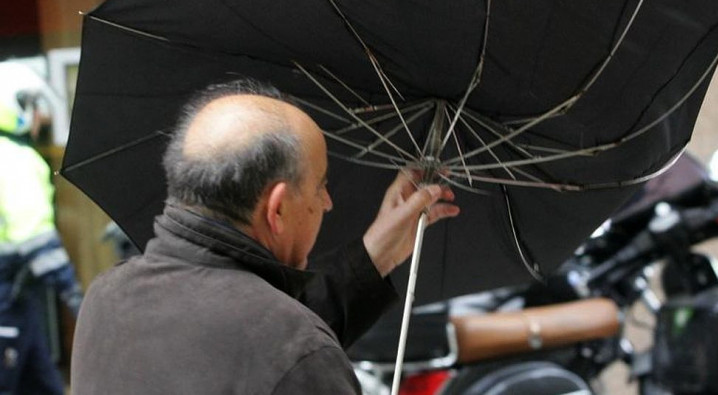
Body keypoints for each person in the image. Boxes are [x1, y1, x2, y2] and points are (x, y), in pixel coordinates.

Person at [70, 79, 459, 394]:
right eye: (320, 186)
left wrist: (375, 257)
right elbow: (275, 350)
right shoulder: (294, 349)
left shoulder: (105, 296)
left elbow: (248, 347)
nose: (327, 202)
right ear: (277, 209)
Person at [0, 62, 83, 394]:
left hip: (19, 298)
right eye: (34, 105)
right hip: (6, 298)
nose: (41, 117)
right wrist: (75, 295)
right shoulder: (16, 160)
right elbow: (36, 240)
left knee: (41, 381)